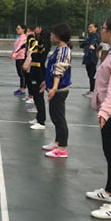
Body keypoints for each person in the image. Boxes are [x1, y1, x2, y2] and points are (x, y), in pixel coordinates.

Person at [88, 15, 111, 219]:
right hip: (110, 113)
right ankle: (110, 191)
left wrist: (105, 112)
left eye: (103, 27)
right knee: (110, 154)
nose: (101, 30)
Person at [41, 23, 72, 158]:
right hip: (55, 88)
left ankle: (62, 149)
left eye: (53, 34)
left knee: (59, 119)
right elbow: (52, 69)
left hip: (59, 91)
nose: (51, 36)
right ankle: (57, 142)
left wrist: (54, 88)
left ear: (59, 36)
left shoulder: (64, 51)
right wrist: (46, 82)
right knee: (55, 117)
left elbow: (59, 70)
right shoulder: (58, 49)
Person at [24, 26, 47, 128]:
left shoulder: (39, 45)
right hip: (34, 70)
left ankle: (41, 122)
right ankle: (38, 118)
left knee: (38, 96)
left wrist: (31, 38)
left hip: (38, 72)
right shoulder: (36, 45)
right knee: (36, 96)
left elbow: (34, 45)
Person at [79, 23, 101, 98]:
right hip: (88, 57)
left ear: (96, 28)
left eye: (91, 27)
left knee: (92, 74)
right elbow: (83, 44)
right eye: (89, 27)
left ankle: (93, 91)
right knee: (90, 74)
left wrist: (91, 45)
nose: (89, 28)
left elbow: (93, 42)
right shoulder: (90, 36)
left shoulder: (96, 35)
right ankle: (92, 90)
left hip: (92, 57)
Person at [10, 24, 27, 96]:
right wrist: (12, 54)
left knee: (22, 74)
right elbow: (15, 47)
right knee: (20, 73)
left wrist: (14, 55)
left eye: (18, 29)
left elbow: (19, 47)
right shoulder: (19, 37)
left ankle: (23, 89)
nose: (17, 30)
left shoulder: (23, 38)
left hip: (21, 57)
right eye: (17, 29)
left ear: (23, 30)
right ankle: (21, 88)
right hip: (18, 57)